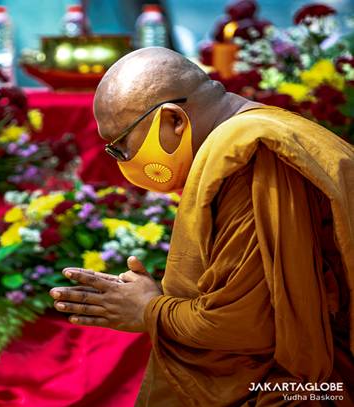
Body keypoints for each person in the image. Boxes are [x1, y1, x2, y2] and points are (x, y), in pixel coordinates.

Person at [50, 47, 354, 405]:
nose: (123, 161)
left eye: (121, 147)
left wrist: (147, 309)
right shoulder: (274, 127)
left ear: (174, 120)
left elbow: (249, 328)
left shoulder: (249, 155)